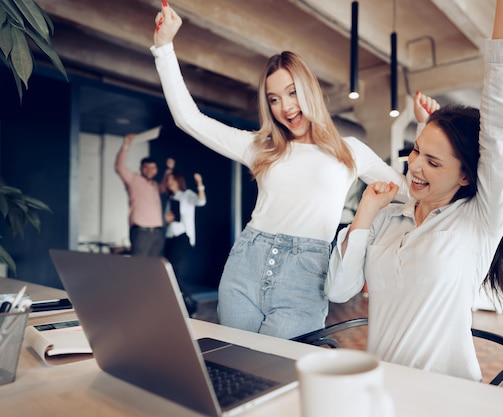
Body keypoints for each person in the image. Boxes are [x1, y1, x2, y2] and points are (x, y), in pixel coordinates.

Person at [151, 4, 410, 339]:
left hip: (305, 278)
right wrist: (164, 48)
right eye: (274, 99)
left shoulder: (350, 151)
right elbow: (189, 119)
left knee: (282, 373)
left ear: (309, 89)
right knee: (237, 367)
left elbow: (408, 190)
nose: (285, 107)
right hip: (245, 267)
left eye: (291, 93)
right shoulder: (262, 147)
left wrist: (435, 140)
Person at [325, 0, 503, 382]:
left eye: (434, 163)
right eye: (416, 149)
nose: (414, 165)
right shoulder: (392, 214)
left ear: (467, 176)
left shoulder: (479, 221)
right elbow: (340, 291)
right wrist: (366, 212)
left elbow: (501, 126)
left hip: (448, 395)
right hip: (383, 389)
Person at [163, 158, 207, 315]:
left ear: (178, 181)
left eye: (172, 180)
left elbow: (201, 201)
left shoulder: (186, 195)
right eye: (168, 181)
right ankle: (181, 302)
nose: (170, 183)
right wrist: (165, 219)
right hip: (169, 237)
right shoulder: (169, 199)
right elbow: (168, 221)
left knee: (172, 267)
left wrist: (199, 183)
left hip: (183, 237)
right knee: (168, 270)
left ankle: (189, 302)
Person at [115, 134, 168, 257]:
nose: (150, 170)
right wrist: (126, 145)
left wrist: (168, 171)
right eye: (146, 167)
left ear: (156, 170)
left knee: (153, 267)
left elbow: (165, 187)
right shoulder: (134, 180)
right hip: (141, 232)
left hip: (158, 233)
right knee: (139, 266)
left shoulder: (155, 185)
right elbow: (120, 167)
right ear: (141, 168)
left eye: (153, 168)